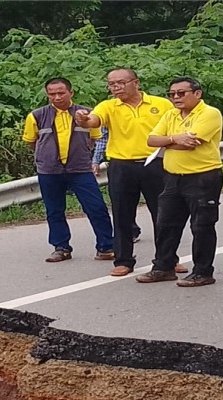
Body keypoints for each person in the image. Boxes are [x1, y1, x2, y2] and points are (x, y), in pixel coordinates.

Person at [74, 68, 174, 277]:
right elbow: (93, 120)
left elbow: (175, 125)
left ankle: (168, 259)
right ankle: (123, 260)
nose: (116, 87)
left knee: (163, 213)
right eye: (111, 84)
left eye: (120, 82)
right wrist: (83, 119)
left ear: (136, 83)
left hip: (155, 163)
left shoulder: (161, 104)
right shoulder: (108, 106)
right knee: (122, 214)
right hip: (121, 165)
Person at [134, 77, 223, 287]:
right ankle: (163, 267)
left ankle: (202, 271)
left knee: (201, 226)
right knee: (166, 223)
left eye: (181, 93)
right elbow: (151, 140)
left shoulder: (209, 113)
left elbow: (191, 144)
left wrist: (167, 141)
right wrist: (175, 138)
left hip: (202, 176)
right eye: (172, 94)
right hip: (173, 177)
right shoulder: (170, 114)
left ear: (197, 93)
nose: (176, 97)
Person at [22, 77, 115, 263]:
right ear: (47, 95)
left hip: (80, 169)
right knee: (54, 210)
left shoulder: (87, 113)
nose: (56, 97)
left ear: (71, 93)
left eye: (61, 93)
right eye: (52, 94)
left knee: (96, 207)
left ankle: (106, 246)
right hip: (49, 171)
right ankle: (61, 247)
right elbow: (31, 142)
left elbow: (95, 138)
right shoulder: (37, 116)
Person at [92, 128, 142, 243]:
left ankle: (165, 250)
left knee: (159, 204)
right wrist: (96, 160)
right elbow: (103, 138)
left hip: (148, 160)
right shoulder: (111, 110)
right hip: (120, 162)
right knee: (124, 202)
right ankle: (129, 233)